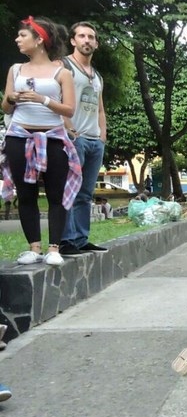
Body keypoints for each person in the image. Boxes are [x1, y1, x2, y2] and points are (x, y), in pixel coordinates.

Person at [1, 16, 79, 266]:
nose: (17, 39)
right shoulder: (16, 69)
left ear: (39, 40)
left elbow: (69, 110)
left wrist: (41, 99)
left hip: (53, 137)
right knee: (26, 194)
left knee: (56, 194)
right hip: (19, 136)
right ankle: (33, 247)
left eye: (22, 35)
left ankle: (54, 248)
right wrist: (12, 98)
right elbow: (5, 108)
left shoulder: (62, 72)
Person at [58, 22, 108, 255]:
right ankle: (66, 240)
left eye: (91, 37)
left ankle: (80, 238)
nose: (87, 40)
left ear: (96, 43)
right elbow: (56, 99)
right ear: (73, 40)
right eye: (82, 36)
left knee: (86, 193)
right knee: (69, 190)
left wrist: (102, 136)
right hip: (73, 138)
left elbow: (99, 108)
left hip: (94, 140)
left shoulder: (97, 75)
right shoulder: (64, 66)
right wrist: (69, 129)